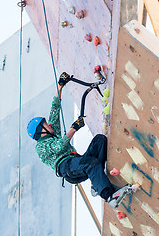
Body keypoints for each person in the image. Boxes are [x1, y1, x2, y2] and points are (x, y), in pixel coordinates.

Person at [27, 72, 126, 208]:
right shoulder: (40, 147)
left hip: (76, 160)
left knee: (100, 140)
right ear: (41, 131)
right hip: (67, 168)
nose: (49, 124)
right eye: (45, 125)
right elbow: (59, 147)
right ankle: (109, 196)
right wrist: (74, 128)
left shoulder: (52, 132)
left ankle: (96, 184)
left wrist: (60, 85)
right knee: (90, 163)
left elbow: (55, 109)